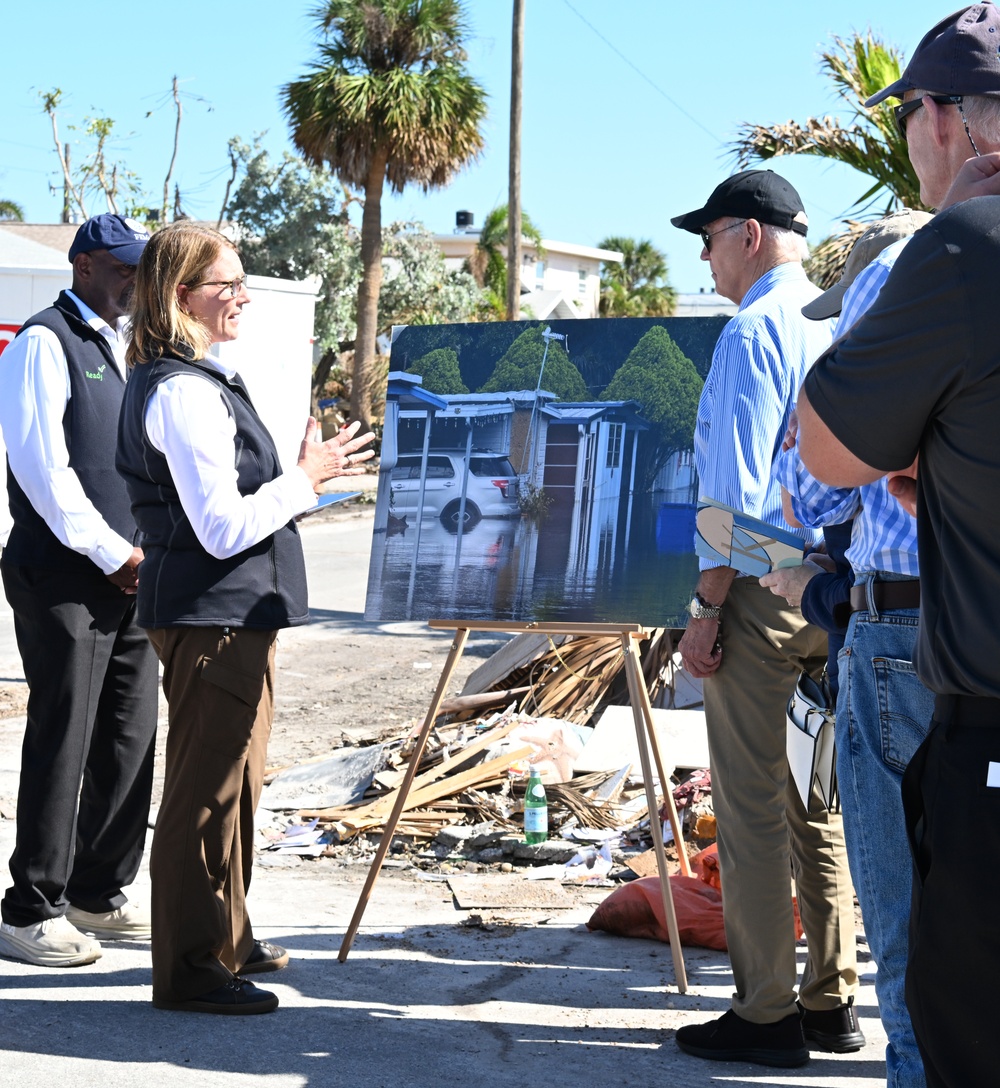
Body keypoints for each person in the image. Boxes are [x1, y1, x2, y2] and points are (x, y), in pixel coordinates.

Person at [772, 9, 1000, 1083]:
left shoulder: (946, 252)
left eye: (908, 113)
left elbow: (816, 461)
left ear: (948, 122)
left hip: (935, 644)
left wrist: (912, 458)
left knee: (925, 981)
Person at [116, 222, 374, 1014]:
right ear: (179, 295)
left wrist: (314, 477)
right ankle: (191, 969)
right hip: (212, 618)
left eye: (241, 280)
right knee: (203, 794)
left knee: (235, 788)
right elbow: (221, 527)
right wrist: (306, 476)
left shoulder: (198, 380)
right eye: (225, 283)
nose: (242, 296)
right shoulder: (185, 390)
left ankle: (225, 938)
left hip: (229, 616)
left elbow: (246, 510)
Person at [670, 169, 861, 1068]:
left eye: (707, 239)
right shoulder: (833, 317)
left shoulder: (752, 331)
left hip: (762, 586)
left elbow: (733, 504)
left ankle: (764, 1014)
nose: (704, 259)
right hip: (831, 584)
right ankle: (830, 1001)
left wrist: (707, 607)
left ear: (746, 234)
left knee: (750, 811)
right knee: (816, 804)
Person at [0, 214, 158, 968]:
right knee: (66, 735)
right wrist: (108, 552)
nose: (136, 279)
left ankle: (98, 892)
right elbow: (44, 470)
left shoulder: (125, 349)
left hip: (132, 573)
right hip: (64, 573)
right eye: (125, 267)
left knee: (130, 734)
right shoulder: (43, 341)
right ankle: (31, 907)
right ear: (87, 264)